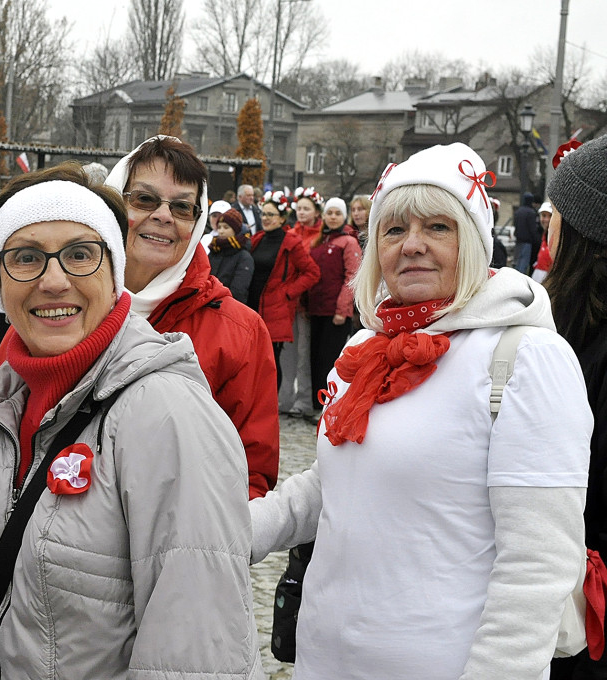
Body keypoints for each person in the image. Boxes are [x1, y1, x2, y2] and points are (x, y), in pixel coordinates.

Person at [249, 142, 593, 680]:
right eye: (393, 230)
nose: (413, 246)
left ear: (475, 242)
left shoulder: (526, 358)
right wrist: (235, 531)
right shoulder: (363, 347)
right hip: (326, 658)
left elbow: (537, 565)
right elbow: (340, 480)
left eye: (438, 227)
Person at [0, 162, 263, 678]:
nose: (54, 281)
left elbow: (193, 657)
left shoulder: (166, 413)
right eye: (26, 258)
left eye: (81, 254)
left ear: (114, 270)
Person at [105, 135, 279, 497]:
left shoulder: (240, 332)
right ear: (112, 205)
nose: (163, 216)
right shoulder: (60, 304)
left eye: (182, 207)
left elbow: (251, 475)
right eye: (144, 199)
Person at [544, 135, 607, 680]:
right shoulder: (561, 318)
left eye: (556, 211)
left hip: (583, 595)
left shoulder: (572, 333)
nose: (548, 223)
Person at [248, 190, 320, 392]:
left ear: (281, 218)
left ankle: (271, 405)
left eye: (270, 215)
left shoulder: (291, 242)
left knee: (270, 361)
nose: (265, 218)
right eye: (263, 214)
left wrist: (288, 292)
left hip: (276, 309)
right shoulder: (258, 239)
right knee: (252, 359)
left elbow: (312, 272)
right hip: (253, 306)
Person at [306, 196, 361, 419]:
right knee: (316, 359)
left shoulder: (348, 242)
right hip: (316, 309)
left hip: (335, 312)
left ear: (344, 216)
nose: (333, 217)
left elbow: (352, 277)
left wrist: (342, 309)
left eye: (338, 213)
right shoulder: (320, 242)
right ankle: (315, 404)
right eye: (330, 213)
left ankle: (329, 405)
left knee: (330, 360)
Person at [278, 185, 324, 417]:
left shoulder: (320, 235)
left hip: (306, 304)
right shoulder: (291, 234)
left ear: (317, 211)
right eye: (299, 209)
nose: (302, 213)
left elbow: (314, 272)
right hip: (288, 304)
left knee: (303, 354)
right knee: (287, 353)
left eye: (307, 209)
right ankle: (284, 397)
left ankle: (304, 399)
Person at [208, 207, 254, 303]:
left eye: (226, 227)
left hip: (227, 307)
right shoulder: (214, 250)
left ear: (235, 230)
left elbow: (238, 290)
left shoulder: (244, 257)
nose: (221, 231)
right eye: (219, 227)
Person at [513, 191, 540, 275]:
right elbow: (533, 229)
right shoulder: (531, 213)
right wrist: (538, 241)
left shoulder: (518, 212)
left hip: (518, 241)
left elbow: (515, 225)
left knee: (517, 263)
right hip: (527, 242)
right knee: (523, 264)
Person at [532, 201, 554, 283]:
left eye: (550, 216)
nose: (546, 219)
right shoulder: (543, 234)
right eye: (544, 215)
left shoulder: (555, 237)